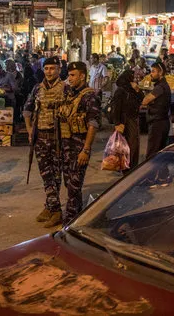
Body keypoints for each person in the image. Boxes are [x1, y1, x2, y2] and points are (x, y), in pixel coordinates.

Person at [23, 56, 68, 228]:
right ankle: (52, 208)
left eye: (52, 68)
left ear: (58, 69)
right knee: (46, 174)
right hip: (40, 138)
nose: (49, 72)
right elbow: (27, 110)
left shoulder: (65, 88)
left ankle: (53, 208)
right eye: (46, 68)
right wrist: (29, 130)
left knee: (55, 176)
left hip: (58, 138)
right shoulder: (37, 89)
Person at [58, 62, 101, 226]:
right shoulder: (69, 94)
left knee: (74, 187)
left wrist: (86, 149)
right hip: (66, 146)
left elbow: (93, 124)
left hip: (79, 147)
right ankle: (78, 217)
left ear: (82, 76)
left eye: (73, 75)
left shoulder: (89, 96)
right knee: (69, 184)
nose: (70, 78)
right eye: (69, 75)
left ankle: (69, 223)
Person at [110, 70, 144, 171]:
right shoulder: (120, 91)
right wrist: (117, 123)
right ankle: (126, 168)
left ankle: (132, 167)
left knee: (134, 145)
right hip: (125, 122)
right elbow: (116, 108)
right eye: (132, 77)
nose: (134, 79)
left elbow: (142, 99)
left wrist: (138, 90)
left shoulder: (133, 89)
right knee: (126, 146)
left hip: (133, 120)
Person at [142, 62, 172, 160]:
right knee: (159, 152)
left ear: (161, 73)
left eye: (153, 71)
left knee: (152, 153)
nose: (151, 74)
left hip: (158, 123)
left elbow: (145, 101)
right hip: (162, 121)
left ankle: (150, 173)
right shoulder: (162, 85)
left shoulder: (160, 87)